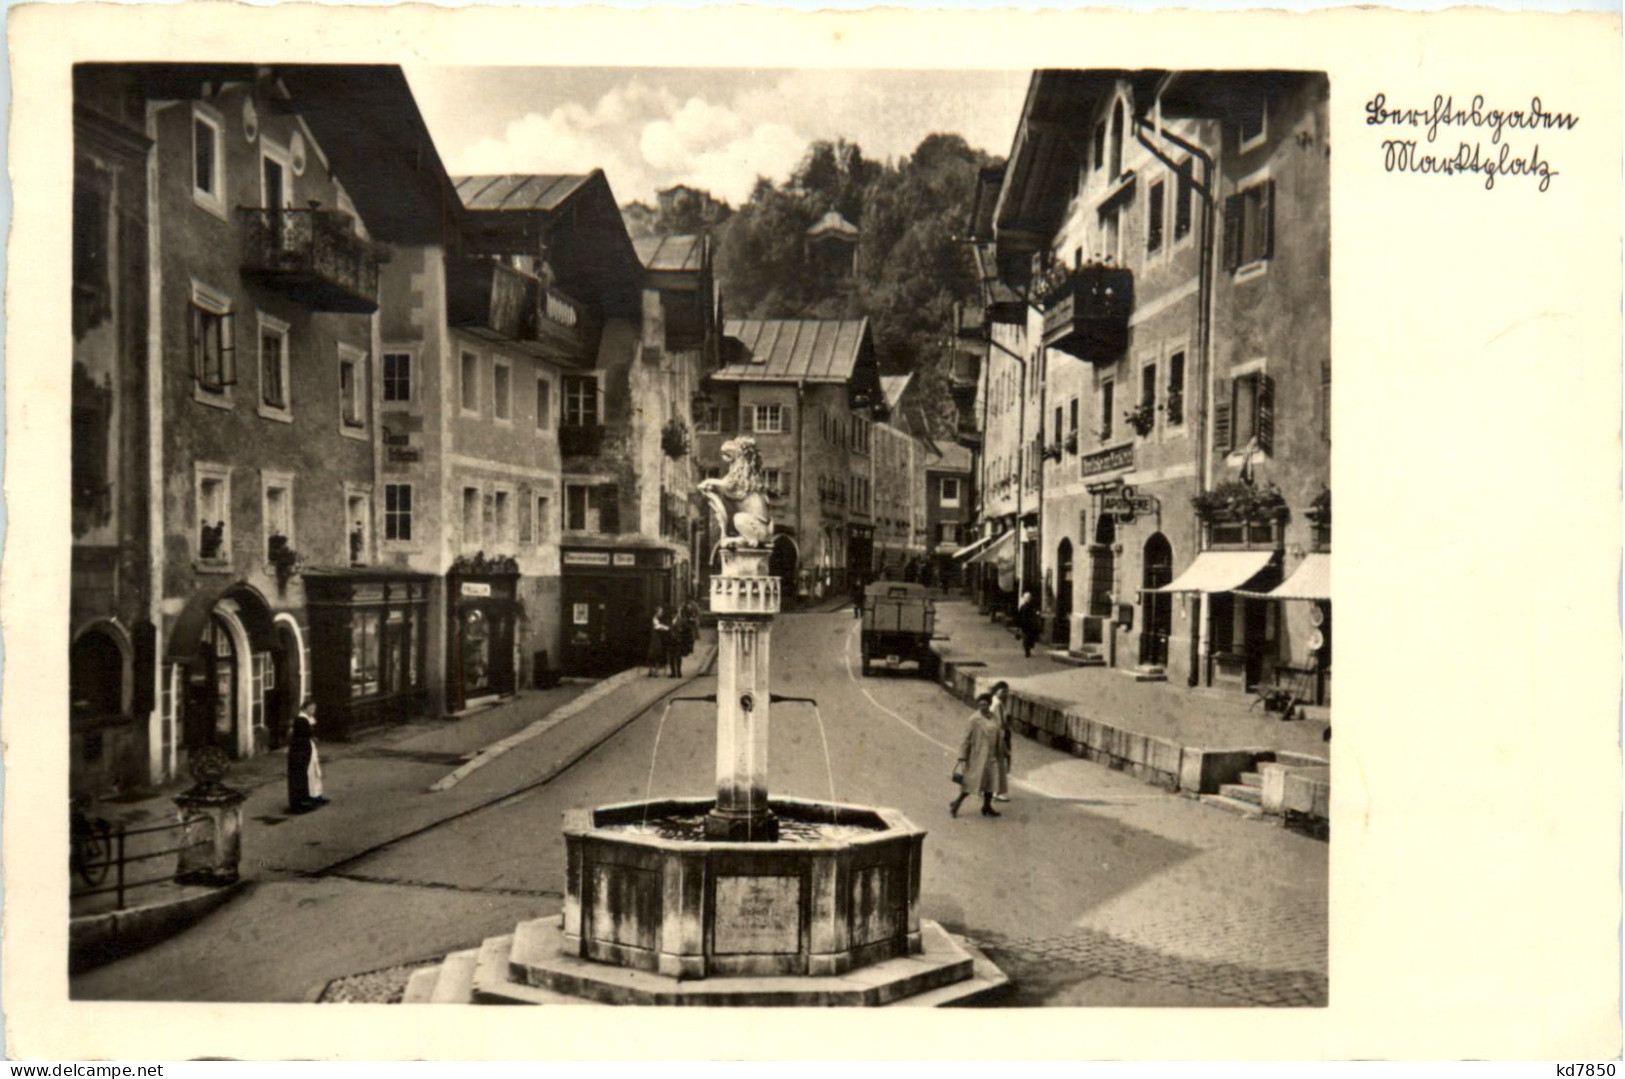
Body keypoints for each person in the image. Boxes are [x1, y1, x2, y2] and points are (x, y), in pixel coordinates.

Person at [951, 693, 1004, 819]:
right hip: (978, 756)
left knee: (991, 782)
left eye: (985, 704)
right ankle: (956, 805)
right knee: (971, 784)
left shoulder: (994, 717)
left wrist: (1002, 751)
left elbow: (998, 734)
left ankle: (987, 806)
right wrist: (963, 757)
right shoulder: (974, 719)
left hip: (992, 756)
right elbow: (966, 739)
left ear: (990, 705)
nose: (982, 707)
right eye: (980, 704)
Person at [286, 699, 327, 813]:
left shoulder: (306, 719)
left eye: (314, 709)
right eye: (311, 708)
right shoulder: (301, 720)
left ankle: (311, 796)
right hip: (300, 751)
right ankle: (300, 802)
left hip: (305, 749)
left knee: (310, 773)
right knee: (302, 775)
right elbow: (305, 735)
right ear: (305, 708)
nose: (313, 711)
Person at [989, 681, 1013, 802]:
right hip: (999, 736)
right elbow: (1001, 723)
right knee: (1000, 764)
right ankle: (997, 791)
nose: (1005, 694)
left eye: (1006, 691)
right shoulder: (998, 704)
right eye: (1003, 691)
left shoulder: (994, 701)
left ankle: (990, 790)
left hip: (993, 736)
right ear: (997, 690)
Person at [671, 604, 696, 678]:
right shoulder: (671, 620)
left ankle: (678, 672)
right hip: (671, 641)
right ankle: (673, 672)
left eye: (674, 614)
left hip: (679, 640)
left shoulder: (682, 621)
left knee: (678, 656)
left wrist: (682, 633)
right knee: (671, 657)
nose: (674, 615)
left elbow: (688, 630)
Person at [647, 606, 671, 677]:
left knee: (656, 654)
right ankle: (653, 671)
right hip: (655, 639)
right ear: (657, 613)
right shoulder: (654, 619)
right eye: (660, 612)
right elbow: (658, 627)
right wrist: (667, 628)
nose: (662, 613)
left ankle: (653, 671)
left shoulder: (658, 619)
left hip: (657, 638)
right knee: (655, 654)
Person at [1017, 589, 1039, 657]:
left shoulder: (1031, 606)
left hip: (1029, 625)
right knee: (1026, 638)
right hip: (1026, 625)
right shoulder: (1024, 607)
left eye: (1029, 598)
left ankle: (1028, 649)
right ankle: (1027, 651)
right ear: (1025, 599)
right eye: (1027, 598)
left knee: (1029, 638)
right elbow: (1020, 616)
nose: (1028, 599)